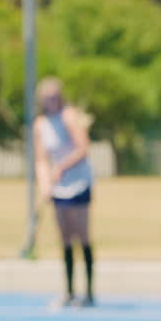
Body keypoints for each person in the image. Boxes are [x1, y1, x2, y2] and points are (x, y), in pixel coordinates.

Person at [33, 77, 95, 308]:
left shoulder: (68, 116)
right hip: (58, 187)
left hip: (79, 182)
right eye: (47, 97)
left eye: (54, 97)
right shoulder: (40, 124)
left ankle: (88, 293)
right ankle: (69, 292)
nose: (51, 101)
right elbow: (41, 160)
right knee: (65, 238)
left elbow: (83, 147)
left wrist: (61, 167)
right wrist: (45, 185)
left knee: (82, 235)